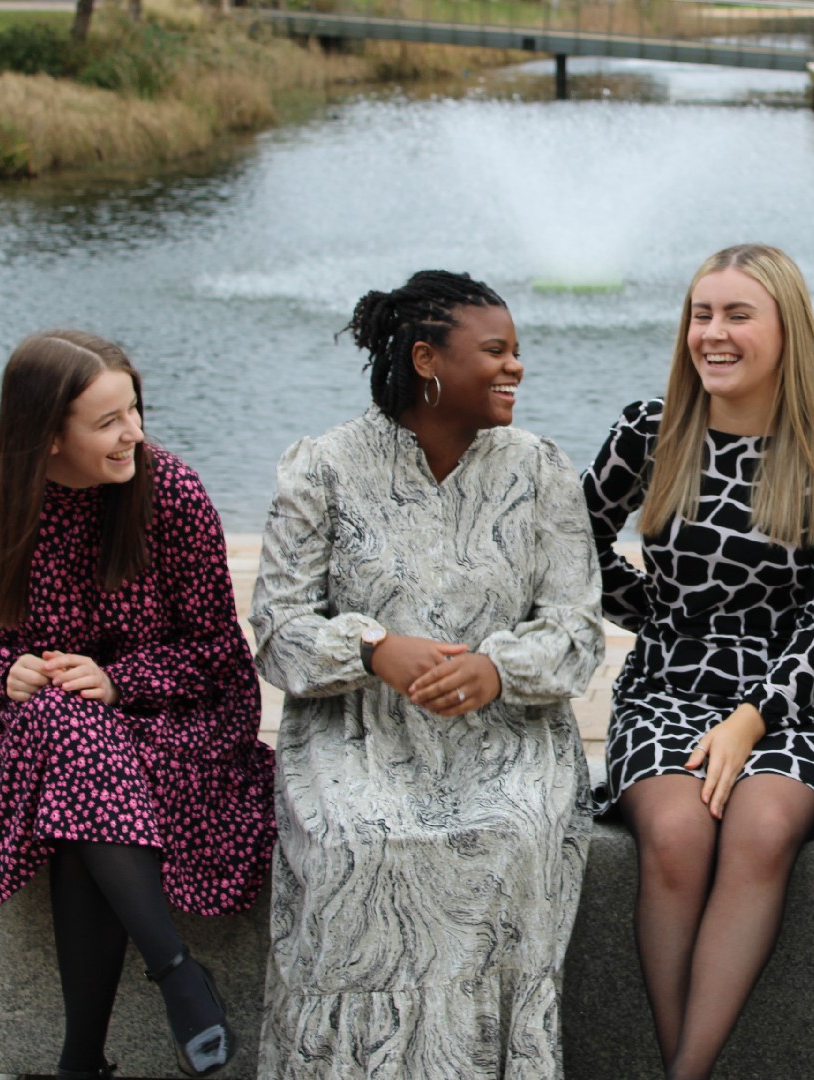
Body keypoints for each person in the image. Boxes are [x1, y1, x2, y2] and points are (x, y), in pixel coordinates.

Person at [250, 270, 604, 1079]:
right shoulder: (322, 469)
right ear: (425, 359)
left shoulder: (541, 469)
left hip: (507, 738)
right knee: (355, 841)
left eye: (518, 351)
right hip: (359, 735)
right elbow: (277, 631)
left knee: (512, 833)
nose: (516, 367)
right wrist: (376, 650)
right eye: (495, 352)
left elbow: (578, 630)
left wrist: (497, 669)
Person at [0, 330, 275, 1080]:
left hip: (183, 722)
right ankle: (176, 973)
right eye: (108, 421)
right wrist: (11, 673)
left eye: (135, 410)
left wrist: (122, 681)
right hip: (57, 734)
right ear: (46, 436)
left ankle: (84, 1058)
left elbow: (222, 652)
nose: (135, 434)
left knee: (76, 772)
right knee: (67, 727)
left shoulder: (172, 495)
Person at [580, 243, 814, 1080]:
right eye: (701, 314)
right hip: (669, 680)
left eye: (738, 315)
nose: (712, 333)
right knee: (674, 835)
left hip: (793, 692)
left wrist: (753, 719)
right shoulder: (651, 430)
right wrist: (656, 616)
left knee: (759, 826)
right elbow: (572, 540)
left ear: (788, 330)